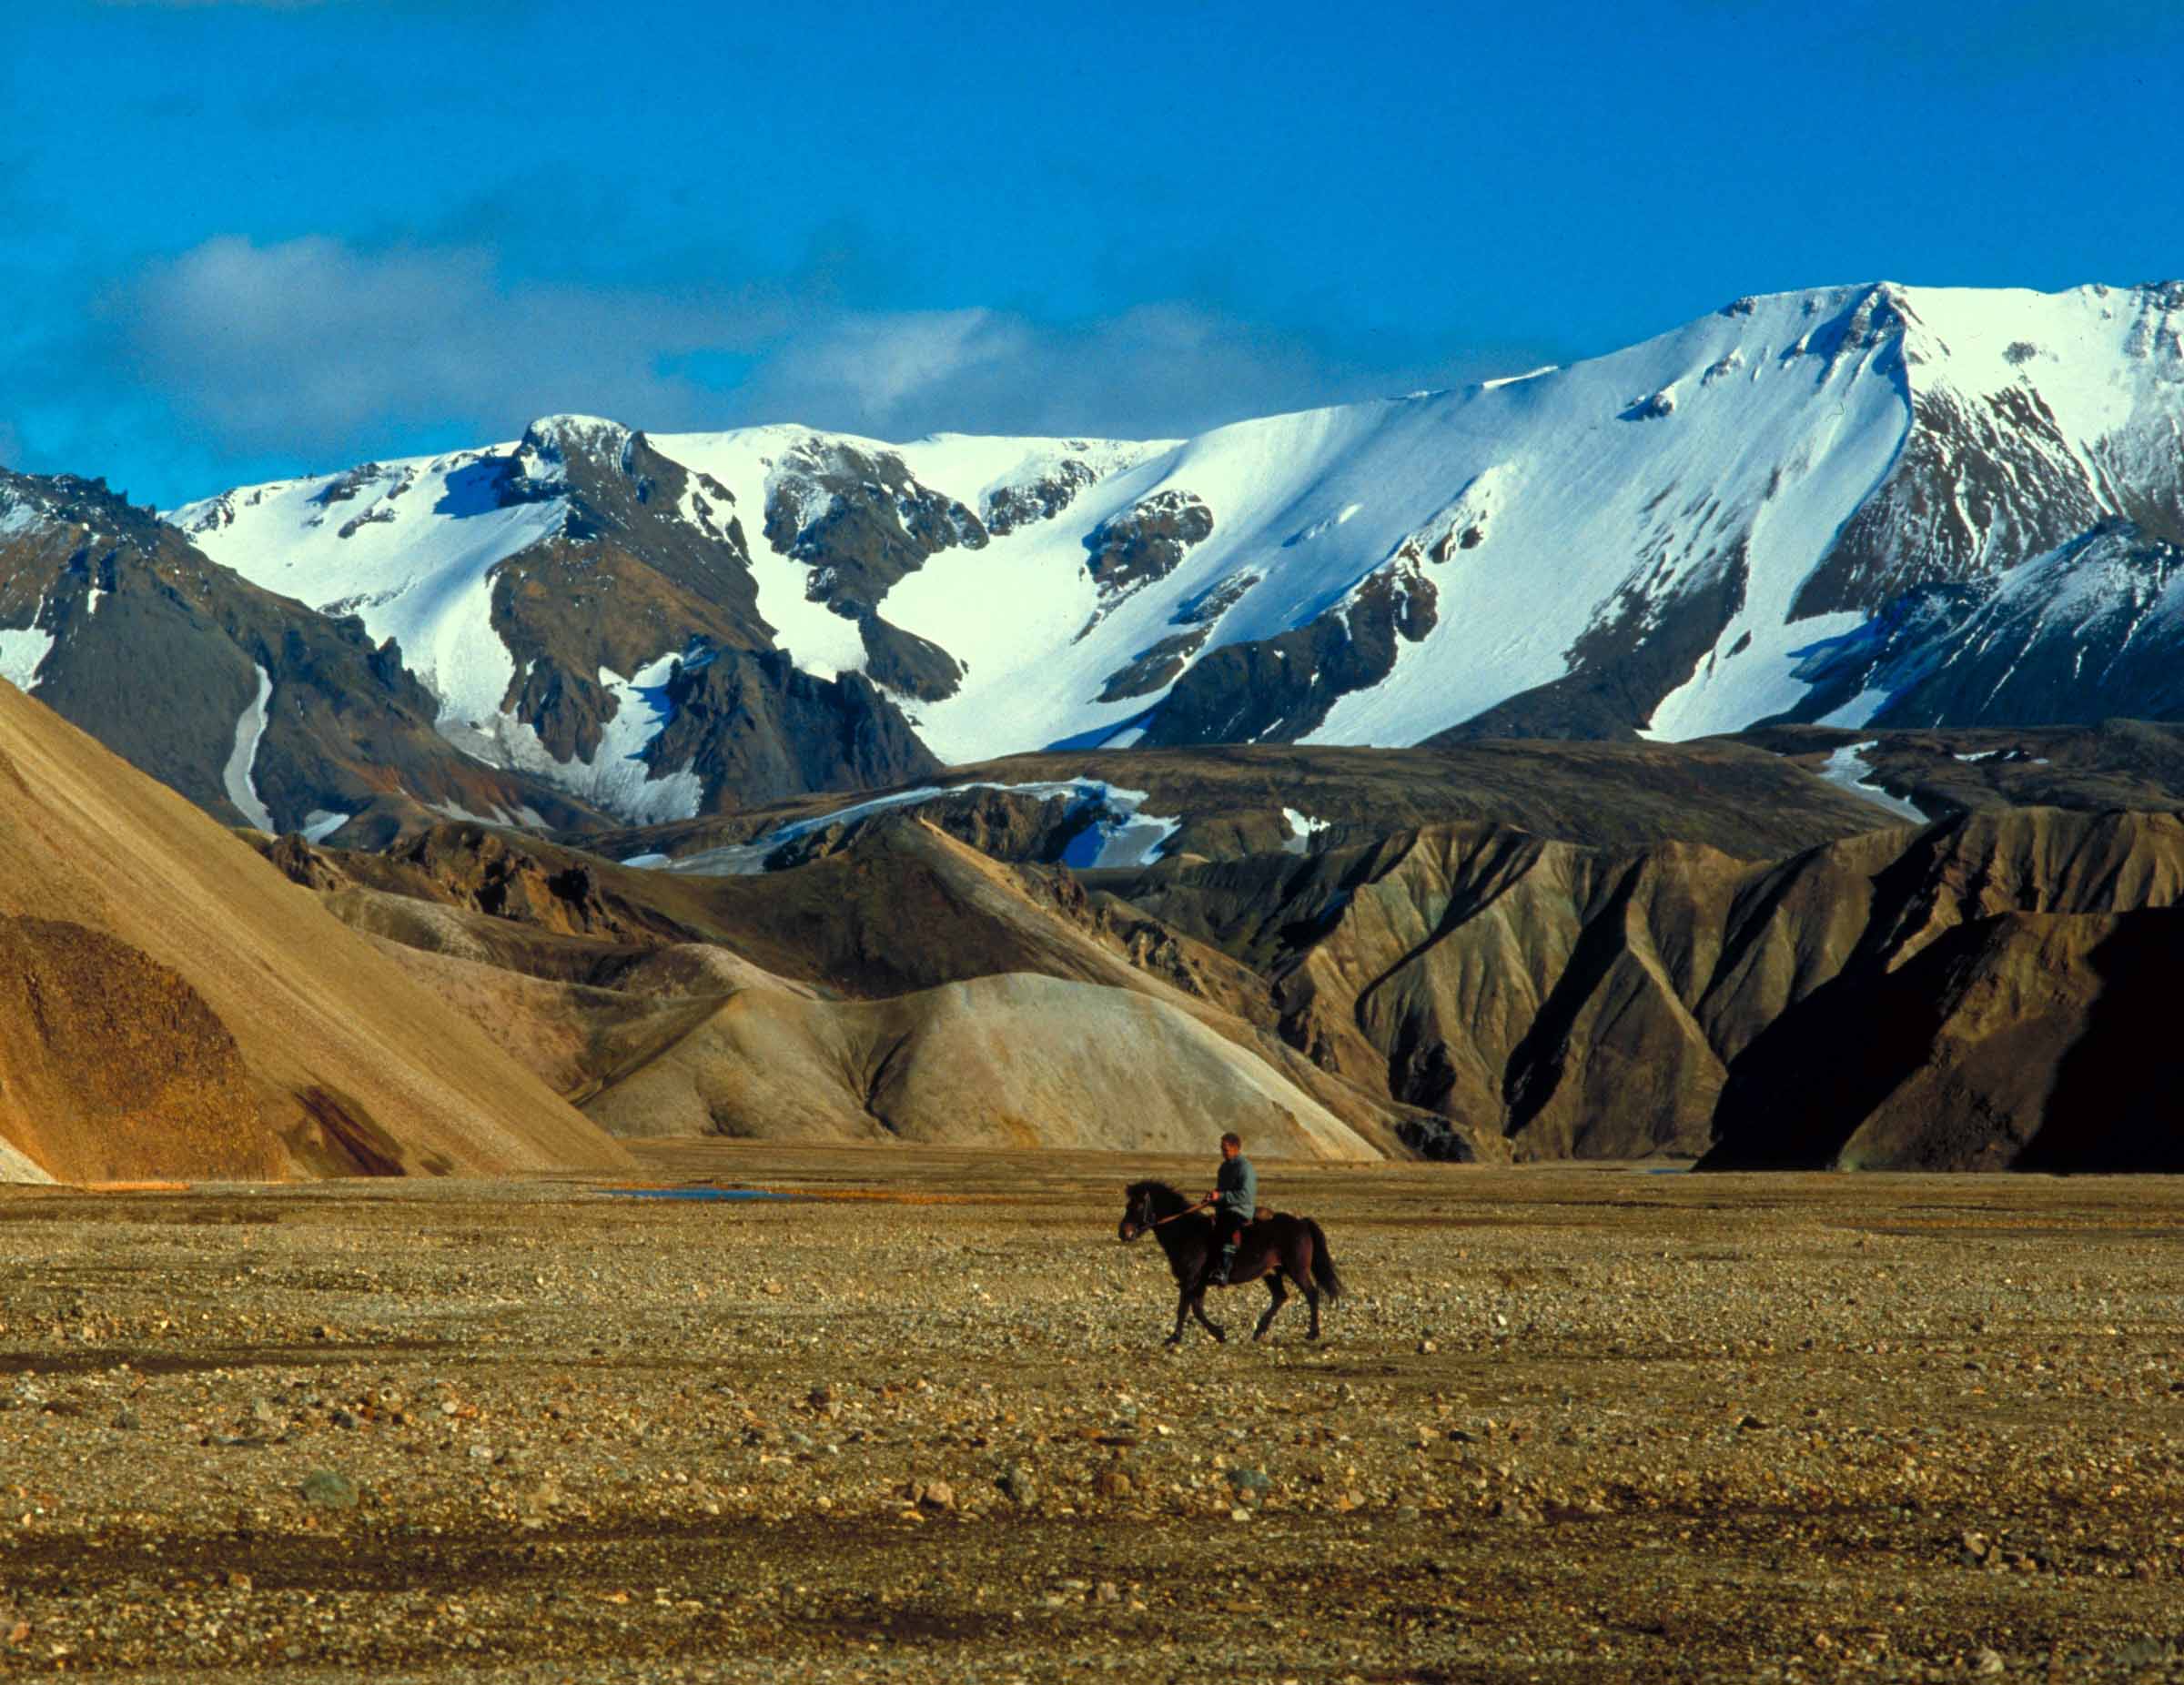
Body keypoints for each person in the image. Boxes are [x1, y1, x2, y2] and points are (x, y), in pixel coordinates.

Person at [1203, 1132, 1256, 1286]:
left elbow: (1246, 1195)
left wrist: (1219, 1197)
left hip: (1240, 1210)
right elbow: (1221, 1191)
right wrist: (1212, 1199)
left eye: (1225, 1149)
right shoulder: (1224, 1167)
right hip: (1225, 1210)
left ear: (1235, 1148)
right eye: (1222, 1149)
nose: (1222, 1152)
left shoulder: (1245, 1167)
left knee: (1225, 1228)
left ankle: (1223, 1271)